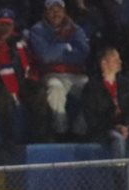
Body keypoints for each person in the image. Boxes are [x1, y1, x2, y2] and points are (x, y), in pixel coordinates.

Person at [0, 7, 39, 147]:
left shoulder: (20, 40)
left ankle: (41, 136)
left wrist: (32, 79)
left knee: (40, 93)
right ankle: (8, 139)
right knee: (4, 94)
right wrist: (2, 45)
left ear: (13, 25)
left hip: (19, 80)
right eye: (1, 24)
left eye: (8, 24)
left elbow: (31, 63)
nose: (5, 28)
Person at [27, 0, 89, 141]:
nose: (56, 13)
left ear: (64, 11)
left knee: (91, 87)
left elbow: (83, 53)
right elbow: (45, 56)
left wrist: (56, 49)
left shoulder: (75, 29)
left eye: (59, 9)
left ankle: (80, 131)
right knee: (55, 88)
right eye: (52, 10)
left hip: (76, 74)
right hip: (51, 74)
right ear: (46, 12)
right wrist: (66, 48)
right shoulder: (37, 30)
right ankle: (61, 130)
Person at [80, 45, 129, 166]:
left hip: (126, 126)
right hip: (104, 128)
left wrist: (126, 125)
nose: (120, 62)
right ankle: (120, 180)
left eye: (119, 58)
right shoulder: (92, 87)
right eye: (115, 59)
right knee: (118, 140)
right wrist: (115, 126)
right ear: (104, 63)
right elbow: (92, 117)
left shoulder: (126, 83)